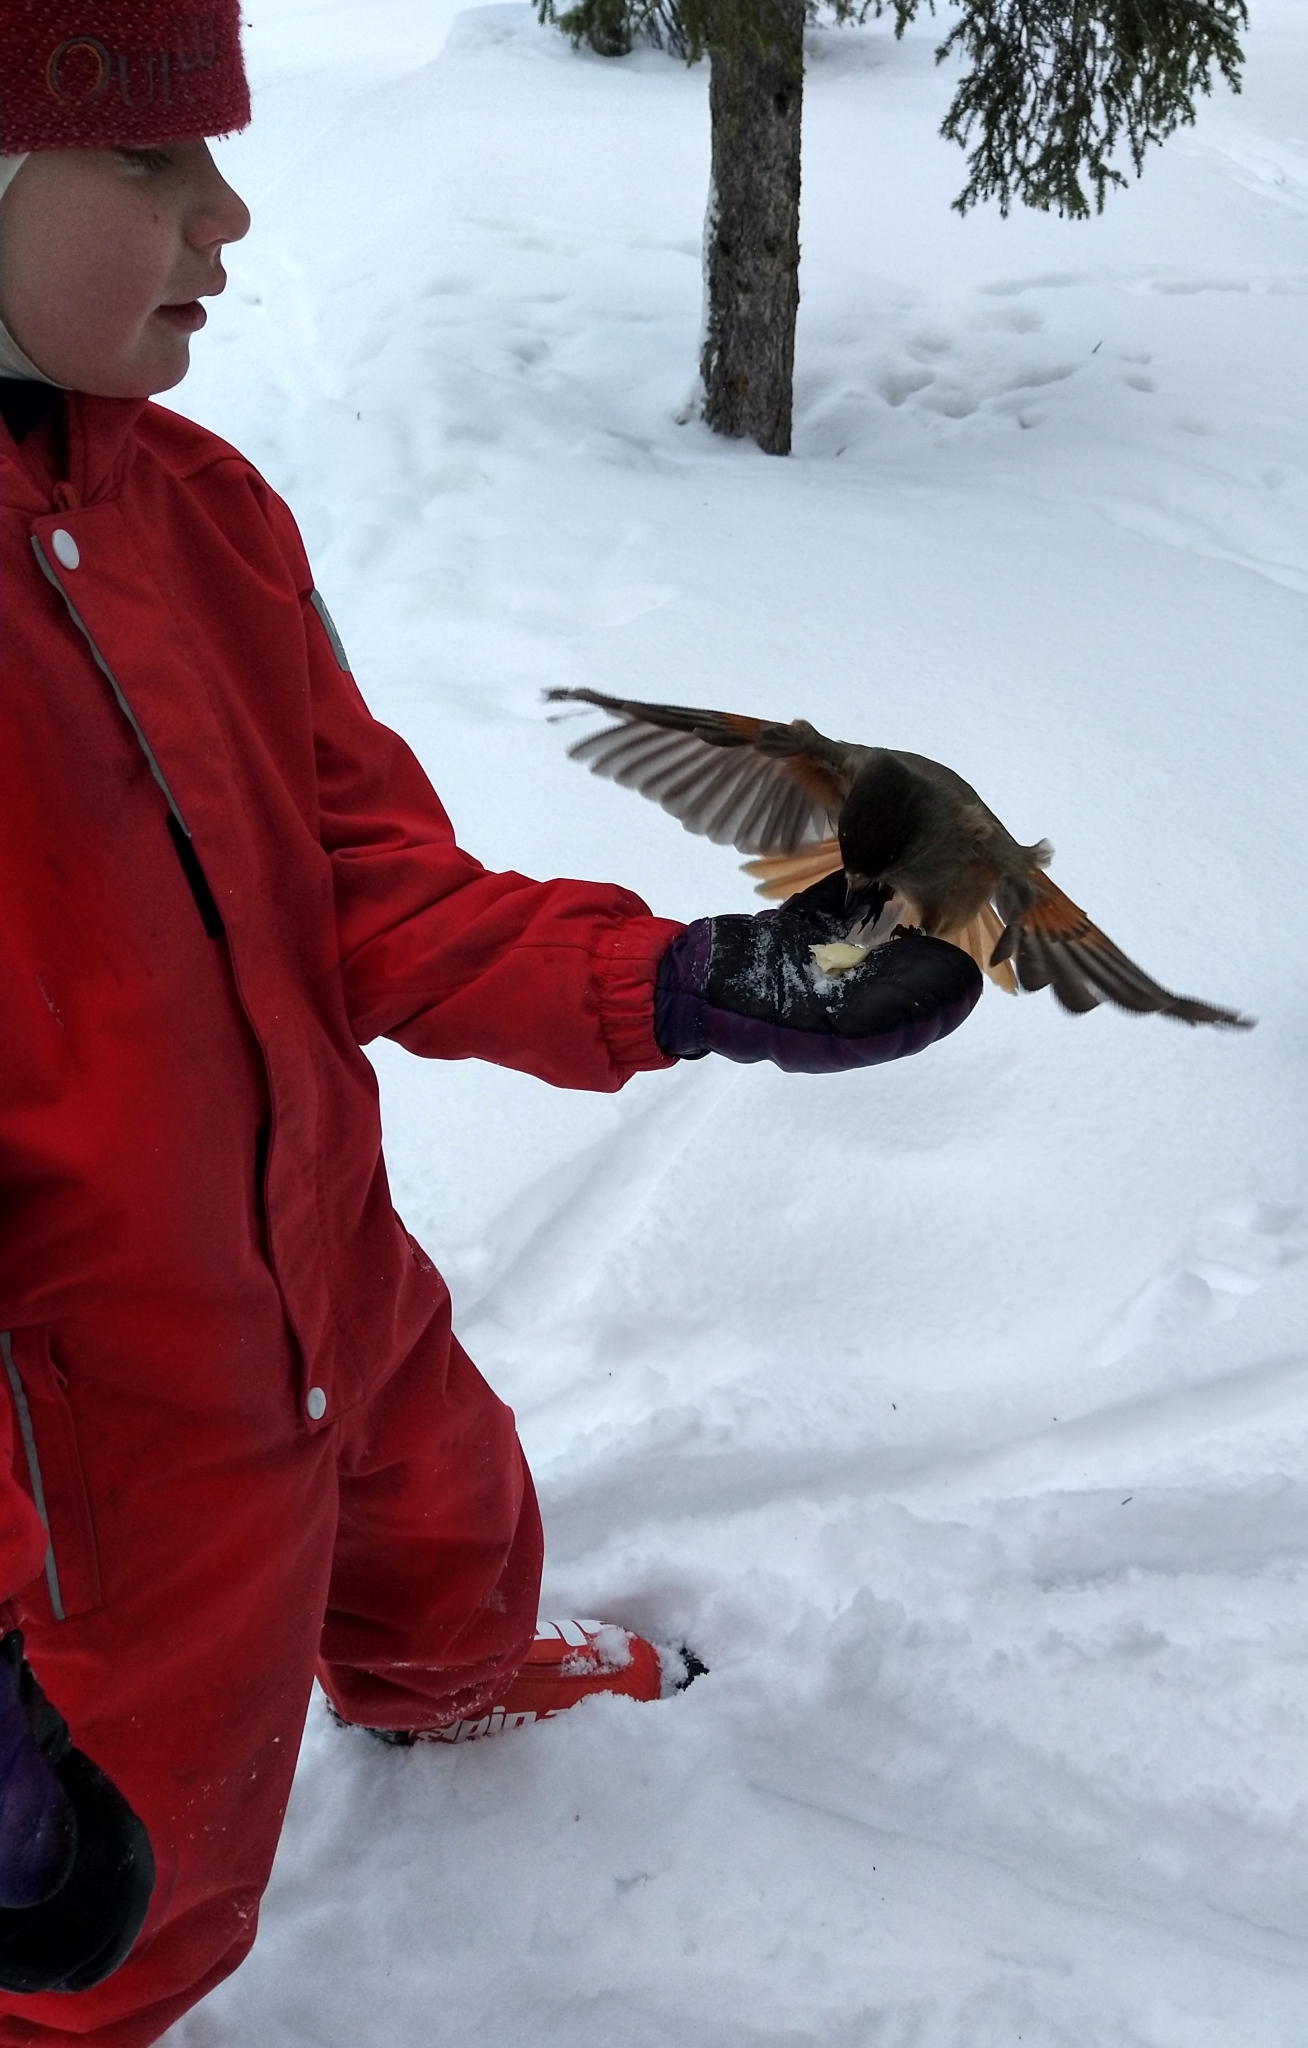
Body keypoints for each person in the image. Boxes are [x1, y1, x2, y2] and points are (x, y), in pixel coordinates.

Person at [0, 5, 981, 2041]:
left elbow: (360, 877)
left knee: (438, 1505)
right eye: (149, 167)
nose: (227, 213)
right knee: (129, 1892)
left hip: (319, 1255)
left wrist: (678, 978)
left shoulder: (207, 515)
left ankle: (458, 1680)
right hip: (89, 1449)